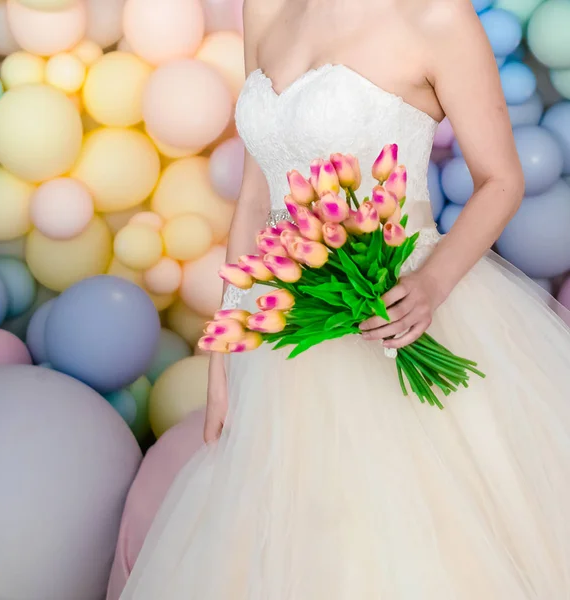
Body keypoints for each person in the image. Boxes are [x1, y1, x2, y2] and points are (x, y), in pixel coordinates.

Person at [120, 0, 570, 597]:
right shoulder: (267, 8)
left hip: (401, 306)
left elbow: (502, 178)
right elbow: (257, 196)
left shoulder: (437, 16)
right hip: (285, 327)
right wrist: (227, 346)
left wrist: (431, 284)